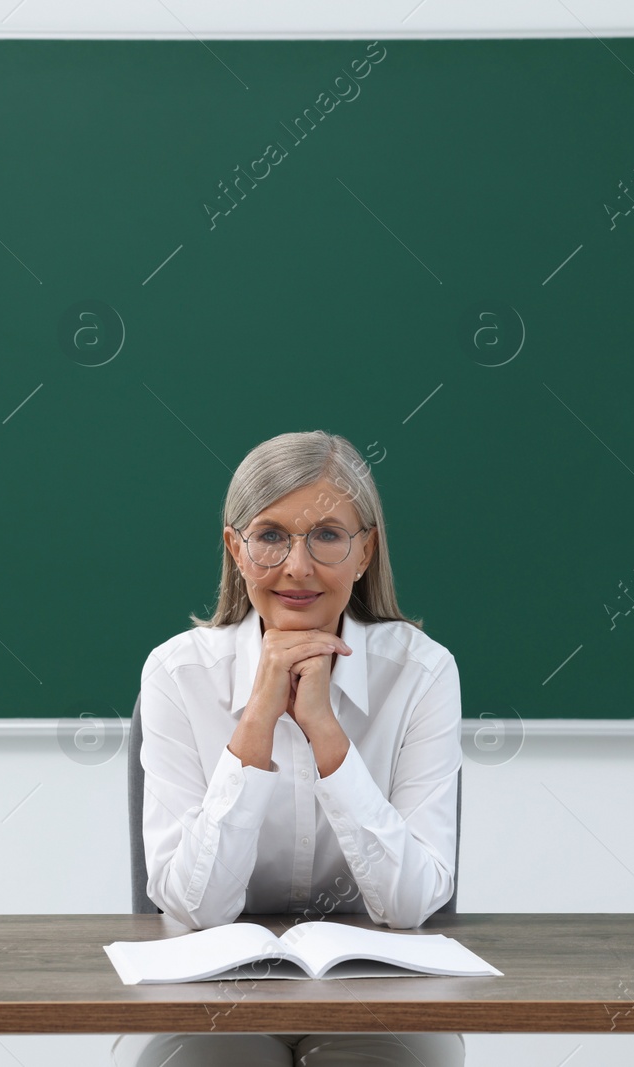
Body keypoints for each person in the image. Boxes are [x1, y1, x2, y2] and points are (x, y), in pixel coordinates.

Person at [114, 430, 464, 1067]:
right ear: (236, 549)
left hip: (378, 988)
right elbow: (194, 905)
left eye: (327, 535)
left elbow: (413, 902)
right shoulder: (175, 673)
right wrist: (256, 722)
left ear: (364, 553)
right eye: (271, 535)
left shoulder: (423, 674)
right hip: (210, 990)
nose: (298, 567)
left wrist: (324, 730)